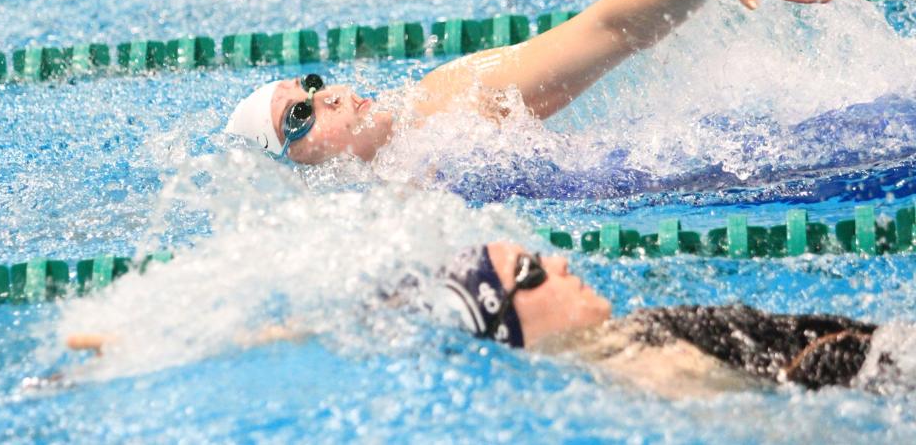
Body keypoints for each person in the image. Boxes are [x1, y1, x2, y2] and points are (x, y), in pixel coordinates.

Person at [225, 0, 833, 164]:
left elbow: (607, 30)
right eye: (299, 118)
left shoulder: (446, 102)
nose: (326, 95)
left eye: (310, 84)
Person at [66, 240, 898, 396]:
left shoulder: (608, 343)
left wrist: (154, 344)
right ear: (509, 324)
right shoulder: (640, 363)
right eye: (534, 273)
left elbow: (357, 329)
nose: (562, 262)